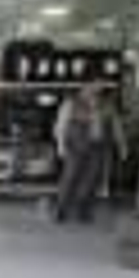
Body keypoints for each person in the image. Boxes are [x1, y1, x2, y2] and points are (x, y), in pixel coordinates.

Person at [54, 83, 127, 222]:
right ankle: (61, 209)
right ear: (84, 87)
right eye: (93, 85)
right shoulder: (71, 103)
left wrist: (122, 146)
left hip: (97, 147)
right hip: (76, 147)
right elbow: (60, 125)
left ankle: (83, 210)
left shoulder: (107, 105)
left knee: (91, 180)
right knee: (70, 178)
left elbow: (117, 126)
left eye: (99, 86)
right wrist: (60, 146)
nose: (96, 89)